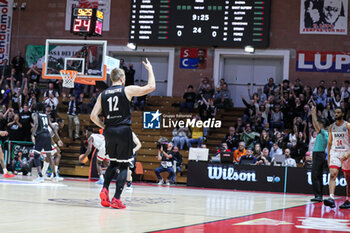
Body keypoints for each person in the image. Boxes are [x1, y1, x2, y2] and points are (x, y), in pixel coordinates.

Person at [90, 58, 155, 209]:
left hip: (109, 131)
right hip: (123, 129)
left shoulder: (103, 94)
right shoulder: (127, 90)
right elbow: (151, 86)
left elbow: (93, 116)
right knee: (124, 165)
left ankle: (105, 189)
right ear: (121, 78)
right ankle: (116, 199)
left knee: (112, 163)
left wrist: (104, 125)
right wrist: (150, 69)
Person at [324, 107, 350, 209]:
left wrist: (348, 154)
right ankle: (331, 198)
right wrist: (329, 157)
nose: (336, 114)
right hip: (335, 152)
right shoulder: (331, 127)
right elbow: (330, 143)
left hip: (346, 152)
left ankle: (348, 200)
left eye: (338, 112)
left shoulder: (347, 126)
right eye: (335, 112)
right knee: (333, 174)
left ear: (342, 114)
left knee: (348, 179)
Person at [32, 103, 63, 182]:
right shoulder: (46, 116)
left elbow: (36, 124)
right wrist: (59, 139)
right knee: (50, 157)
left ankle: (40, 176)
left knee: (36, 156)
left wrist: (33, 134)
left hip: (40, 135)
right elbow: (53, 128)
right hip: (48, 136)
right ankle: (55, 176)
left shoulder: (36, 114)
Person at [310, 105, 328, 202]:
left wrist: (313, 113)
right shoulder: (324, 133)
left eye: (320, 123)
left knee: (315, 175)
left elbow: (315, 124)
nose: (318, 124)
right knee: (318, 175)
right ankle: (319, 195)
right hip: (319, 155)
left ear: (322, 125)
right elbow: (315, 124)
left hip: (319, 155)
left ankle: (318, 195)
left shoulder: (324, 133)